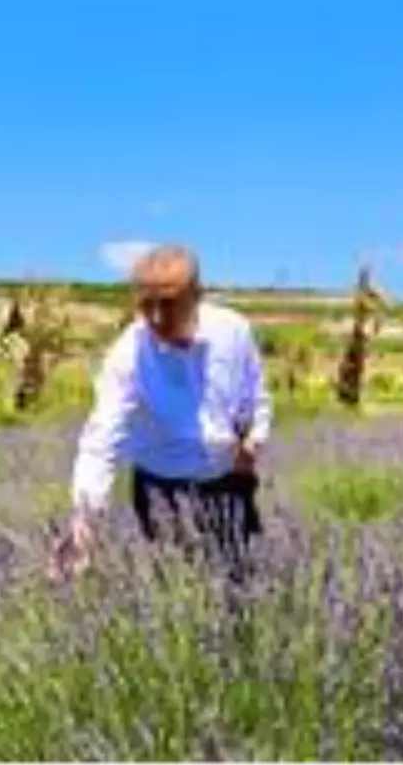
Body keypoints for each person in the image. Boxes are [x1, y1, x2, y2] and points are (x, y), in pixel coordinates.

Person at [51, 244, 273, 581]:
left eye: (167, 305)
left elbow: (254, 393)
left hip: (229, 482)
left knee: (240, 588)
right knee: (175, 593)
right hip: (162, 490)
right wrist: (84, 525)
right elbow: (101, 442)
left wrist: (254, 438)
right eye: (145, 305)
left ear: (197, 295)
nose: (155, 318)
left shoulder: (233, 331)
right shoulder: (127, 355)